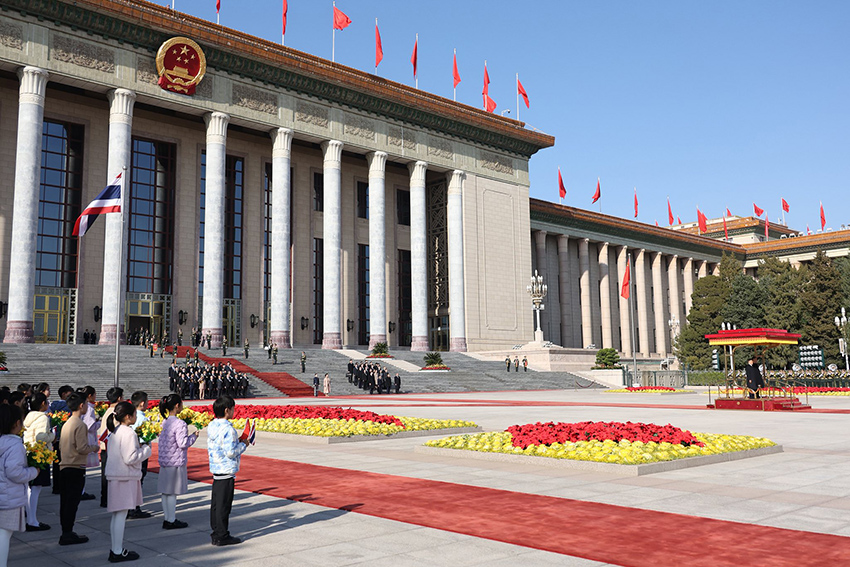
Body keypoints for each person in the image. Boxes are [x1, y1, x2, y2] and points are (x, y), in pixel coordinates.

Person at [105, 401, 151, 562]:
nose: (136, 417)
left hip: (116, 476)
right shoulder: (129, 433)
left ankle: (115, 549)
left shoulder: (116, 431)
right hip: (124, 477)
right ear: (127, 416)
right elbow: (130, 457)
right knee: (121, 515)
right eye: (134, 414)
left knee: (117, 515)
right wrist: (146, 450)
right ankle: (117, 551)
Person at [0, 404, 39, 566]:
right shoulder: (14, 445)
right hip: (9, 497)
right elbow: (15, 472)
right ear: (16, 423)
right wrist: (33, 471)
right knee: (4, 534)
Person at [58, 392, 99, 546]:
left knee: (65, 502)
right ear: (81, 405)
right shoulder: (80, 424)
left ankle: (66, 531)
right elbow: (82, 448)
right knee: (72, 503)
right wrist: (94, 447)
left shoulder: (67, 423)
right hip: (75, 467)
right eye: (86, 404)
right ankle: (68, 533)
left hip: (65, 465)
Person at [207, 396, 248, 546]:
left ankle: (216, 532)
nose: (233, 411)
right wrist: (244, 444)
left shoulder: (212, 425)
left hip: (216, 469)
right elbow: (231, 452)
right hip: (226, 470)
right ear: (227, 410)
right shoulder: (228, 429)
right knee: (224, 506)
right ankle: (222, 535)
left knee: (216, 505)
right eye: (232, 409)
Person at [157, 394, 198, 530]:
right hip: (175, 461)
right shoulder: (180, 423)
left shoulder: (164, 421)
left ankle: (166, 518)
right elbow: (182, 443)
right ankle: (171, 519)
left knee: (165, 492)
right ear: (176, 406)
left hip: (164, 460)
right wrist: (193, 436)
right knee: (172, 492)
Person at [23, 393, 53, 531]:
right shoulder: (42, 418)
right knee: (36, 488)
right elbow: (41, 437)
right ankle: (32, 520)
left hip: (30, 452)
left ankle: (31, 519)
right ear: (42, 403)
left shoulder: (30, 416)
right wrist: (52, 435)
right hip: (39, 454)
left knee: (31, 488)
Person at [126, 392, 151, 519]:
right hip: (140, 452)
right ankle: (134, 507)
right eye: (146, 401)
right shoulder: (142, 418)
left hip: (130, 452)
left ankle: (131, 506)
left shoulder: (132, 416)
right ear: (142, 403)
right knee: (138, 480)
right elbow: (143, 438)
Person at [98, 387, 124, 508]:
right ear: (119, 398)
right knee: (112, 476)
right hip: (112, 448)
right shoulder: (116, 413)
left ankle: (105, 498)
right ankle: (110, 498)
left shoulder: (107, 412)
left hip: (105, 447)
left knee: (105, 474)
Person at [78, 387, 99, 501]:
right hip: (88, 437)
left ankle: (81, 490)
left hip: (82, 436)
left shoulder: (82, 407)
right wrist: (99, 423)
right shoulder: (89, 409)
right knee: (83, 466)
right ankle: (82, 490)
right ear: (90, 396)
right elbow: (90, 426)